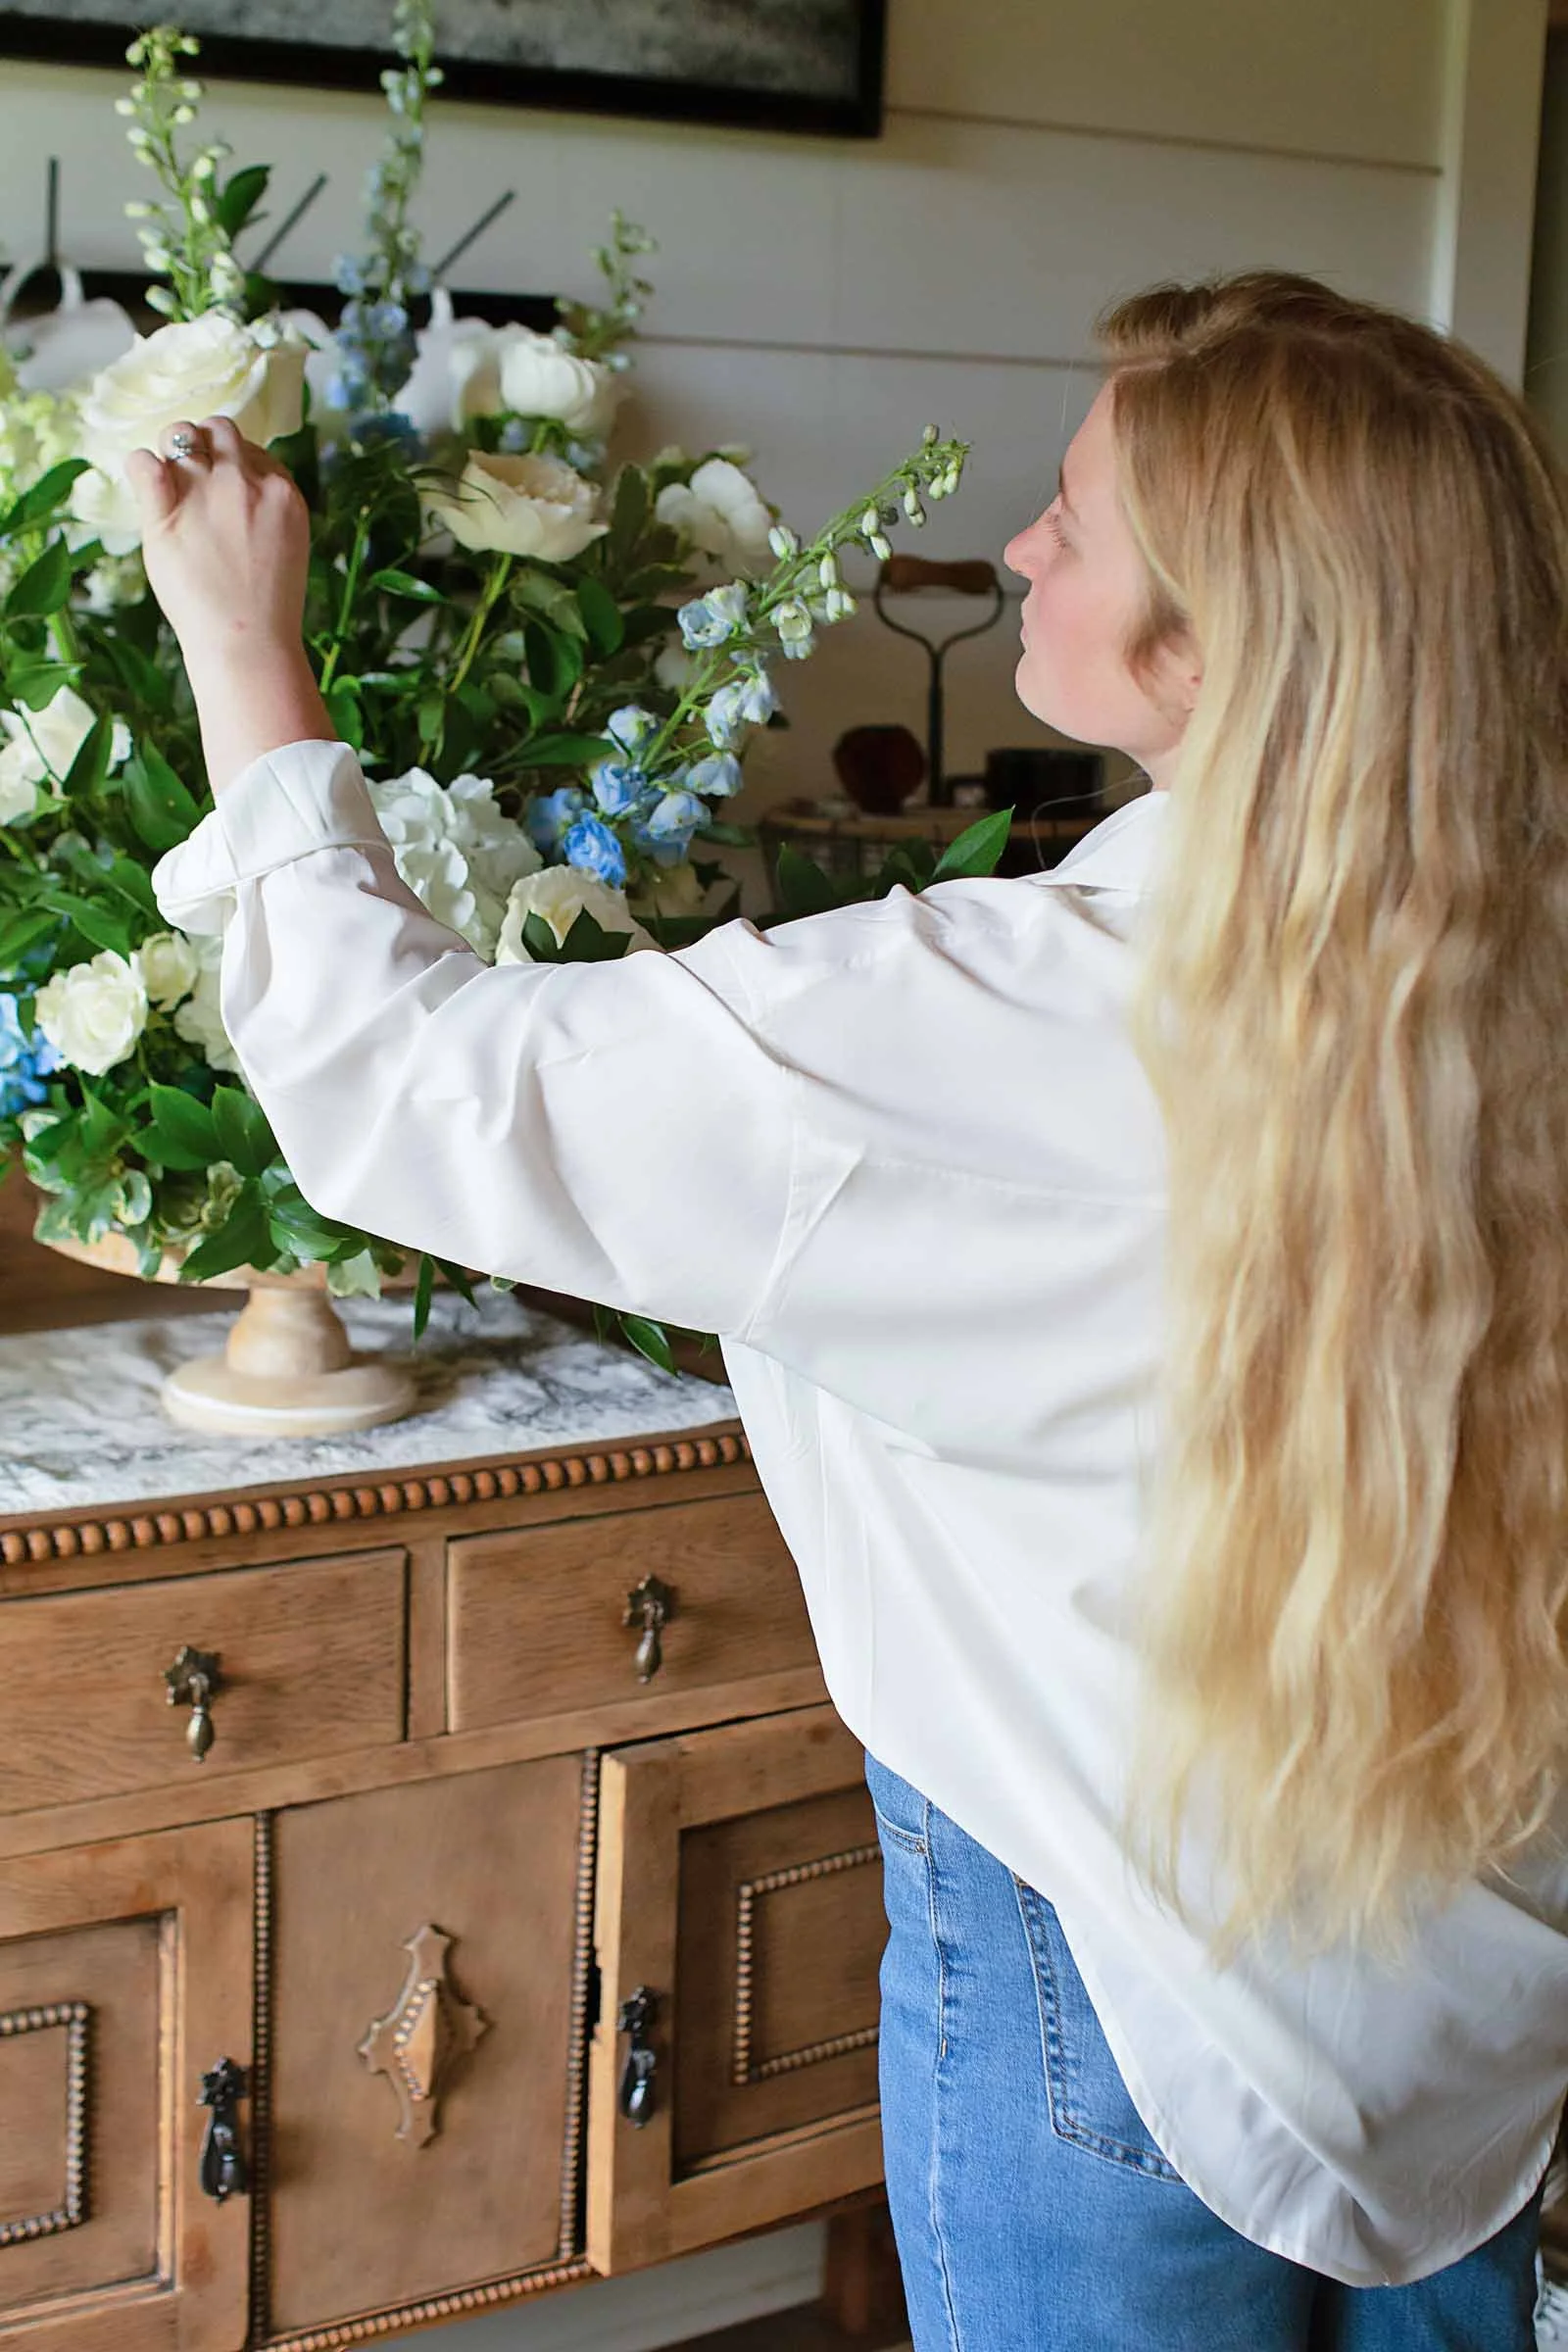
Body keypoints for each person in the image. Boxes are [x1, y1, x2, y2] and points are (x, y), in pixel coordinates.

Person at [132, 270, 1568, 2351]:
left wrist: (241, 650)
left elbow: (409, 1089)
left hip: (1113, 1988)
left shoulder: (999, 1016)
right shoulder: (1497, 978)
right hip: (1457, 1976)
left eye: (1070, 519)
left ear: (1208, 636)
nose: (1016, 547)